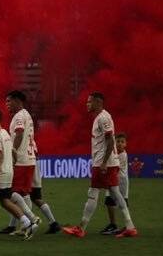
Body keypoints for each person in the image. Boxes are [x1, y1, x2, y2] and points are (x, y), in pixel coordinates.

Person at [63, 93, 138, 238]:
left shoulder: (103, 118)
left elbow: (110, 140)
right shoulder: (101, 117)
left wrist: (103, 162)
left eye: (89, 102)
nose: (87, 104)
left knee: (93, 193)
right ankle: (130, 226)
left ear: (98, 102)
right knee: (115, 194)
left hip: (104, 164)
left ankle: (81, 227)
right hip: (105, 162)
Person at [2, 89, 58, 234]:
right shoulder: (26, 115)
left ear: (17, 100)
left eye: (9, 101)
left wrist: (12, 152)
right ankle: (20, 225)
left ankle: (30, 223)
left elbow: (19, 134)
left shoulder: (19, 116)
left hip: (21, 160)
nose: (6, 104)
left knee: (14, 193)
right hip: (30, 159)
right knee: (24, 193)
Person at [0, 108, 38, 241]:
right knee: (5, 201)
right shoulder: (6, 134)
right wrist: (13, 162)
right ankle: (28, 223)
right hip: (8, 173)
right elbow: (13, 151)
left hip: (0, 173)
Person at [102, 132, 130, 234]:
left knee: (122, 203)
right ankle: (114, 224)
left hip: (120, 182)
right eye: (118, 141)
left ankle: (126, 225)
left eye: (122, 142)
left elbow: (115, 168)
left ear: (126, 144)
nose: (120, 144)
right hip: (115, 181)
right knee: (109, 202)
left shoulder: (122, 155)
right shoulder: (115, 154)